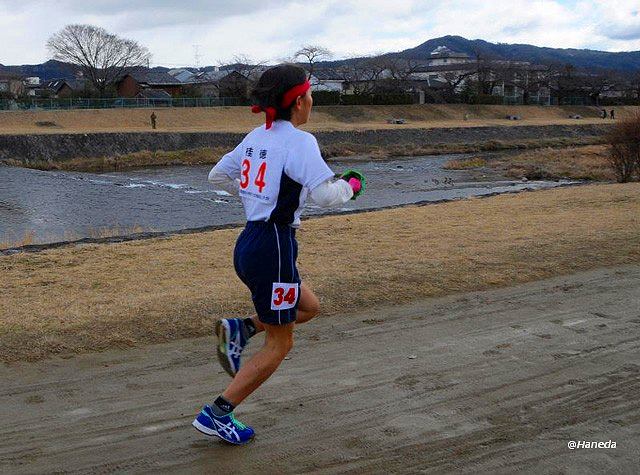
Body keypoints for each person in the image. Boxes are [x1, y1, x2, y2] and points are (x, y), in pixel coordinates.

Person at [192, 64, 365, 445]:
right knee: (282, 342)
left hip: (251, 242)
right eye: (310, 94)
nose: (312, 101)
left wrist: (254, 197)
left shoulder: (256, 136)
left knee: (310, 307)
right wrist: (352, 185)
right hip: (275, 248)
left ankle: (243, 327)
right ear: (300, 101)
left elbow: (216, 176)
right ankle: (218, 413)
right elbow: (325, 196)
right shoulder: (300, 142)